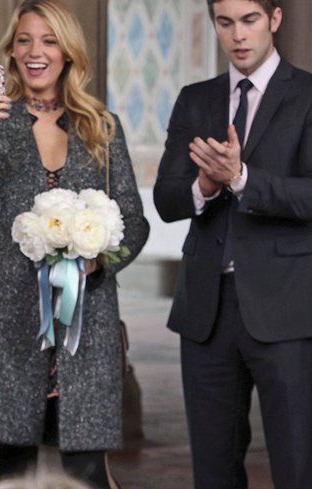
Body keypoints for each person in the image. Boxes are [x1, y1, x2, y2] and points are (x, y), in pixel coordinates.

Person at [0, 0, 149, 487]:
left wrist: (98, 261)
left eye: (49, 40)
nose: (36, 51)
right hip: (9, 320)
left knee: (88, 471)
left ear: (68, 51)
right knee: (16, 468)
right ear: (12, 52)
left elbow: (134, 221)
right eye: (25, 40)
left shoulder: (101, 125)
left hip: (85, 325)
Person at [153, 1, 312, 487]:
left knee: (297, 465)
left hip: (286, 309)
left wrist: (240, 179)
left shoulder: (307, 95)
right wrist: (204, 186)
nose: (238, 35)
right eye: (225, 22)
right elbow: (166, 199)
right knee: (213, 471)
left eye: (249, 20)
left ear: (275, 19)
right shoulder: (195, 99)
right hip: (206, 311)